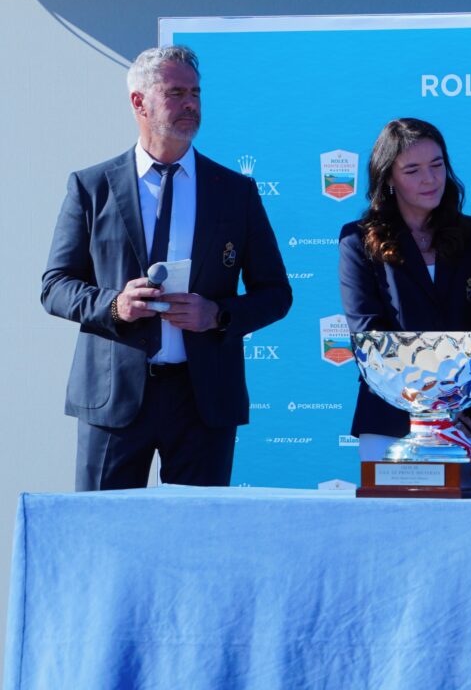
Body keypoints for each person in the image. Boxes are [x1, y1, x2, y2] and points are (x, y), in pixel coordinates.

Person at [41, 46, 292, 491]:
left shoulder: (235, 192)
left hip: (203, 400)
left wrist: (216, 314)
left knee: (198, 545)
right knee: (104, 536)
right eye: (176, 92)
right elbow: (56, 286)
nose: (191, 104)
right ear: (139, 101)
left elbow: (275, 293)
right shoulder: (91, 187)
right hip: (113, 398)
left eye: (195, 92)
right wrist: (115, 305)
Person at [339, 118, 471, 461]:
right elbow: (368, 331)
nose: (430, 179)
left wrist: (455, 402)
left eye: (437, 165)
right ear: (388, 177)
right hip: (390, 415)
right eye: (413, 170)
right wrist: (428, 410)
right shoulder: (357, 239)